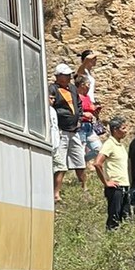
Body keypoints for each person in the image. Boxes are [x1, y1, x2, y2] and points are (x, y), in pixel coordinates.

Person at [48, 63, 86, 201]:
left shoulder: (72, 88)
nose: (69, 77)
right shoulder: (52, 89)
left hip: (74, 130)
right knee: (60, 164)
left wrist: (79, 118)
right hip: (61, 131)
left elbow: (78, 104)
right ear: (58, 76)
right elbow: (50, 105)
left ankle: (84, 189)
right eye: (66, 75)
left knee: (79, 160)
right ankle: (55, 193)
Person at [94, 117, 130, 229]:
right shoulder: (109, 144)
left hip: (124, 185)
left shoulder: (120, 145)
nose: (126, 131)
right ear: (115, 130)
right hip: (116, 187)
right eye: (123, 128)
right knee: (114, 218)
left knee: (125, 217)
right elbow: (97, 163)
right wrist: (106, 182)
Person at [75, 74, 102, 167]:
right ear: (82, 85)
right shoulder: (75, 96)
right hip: (80, 126)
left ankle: (83, 160)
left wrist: (95, 111)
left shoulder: (87, 97)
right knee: (81, 149)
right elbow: (73, 111)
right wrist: (83, 114)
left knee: (99, 148)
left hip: (89, 126)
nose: (89, 86)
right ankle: (81, 168)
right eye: (88, 84)